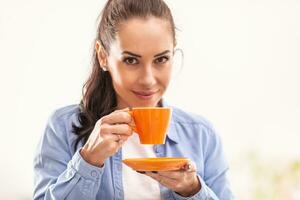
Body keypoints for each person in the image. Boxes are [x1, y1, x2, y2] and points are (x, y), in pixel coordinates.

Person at [33, 0, 234, 199]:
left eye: (161, 59)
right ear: (103, 56)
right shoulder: (62, 128)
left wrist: (193, 190)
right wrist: (88, 161)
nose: (148, 80)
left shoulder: (201, 135)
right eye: (131, 60)